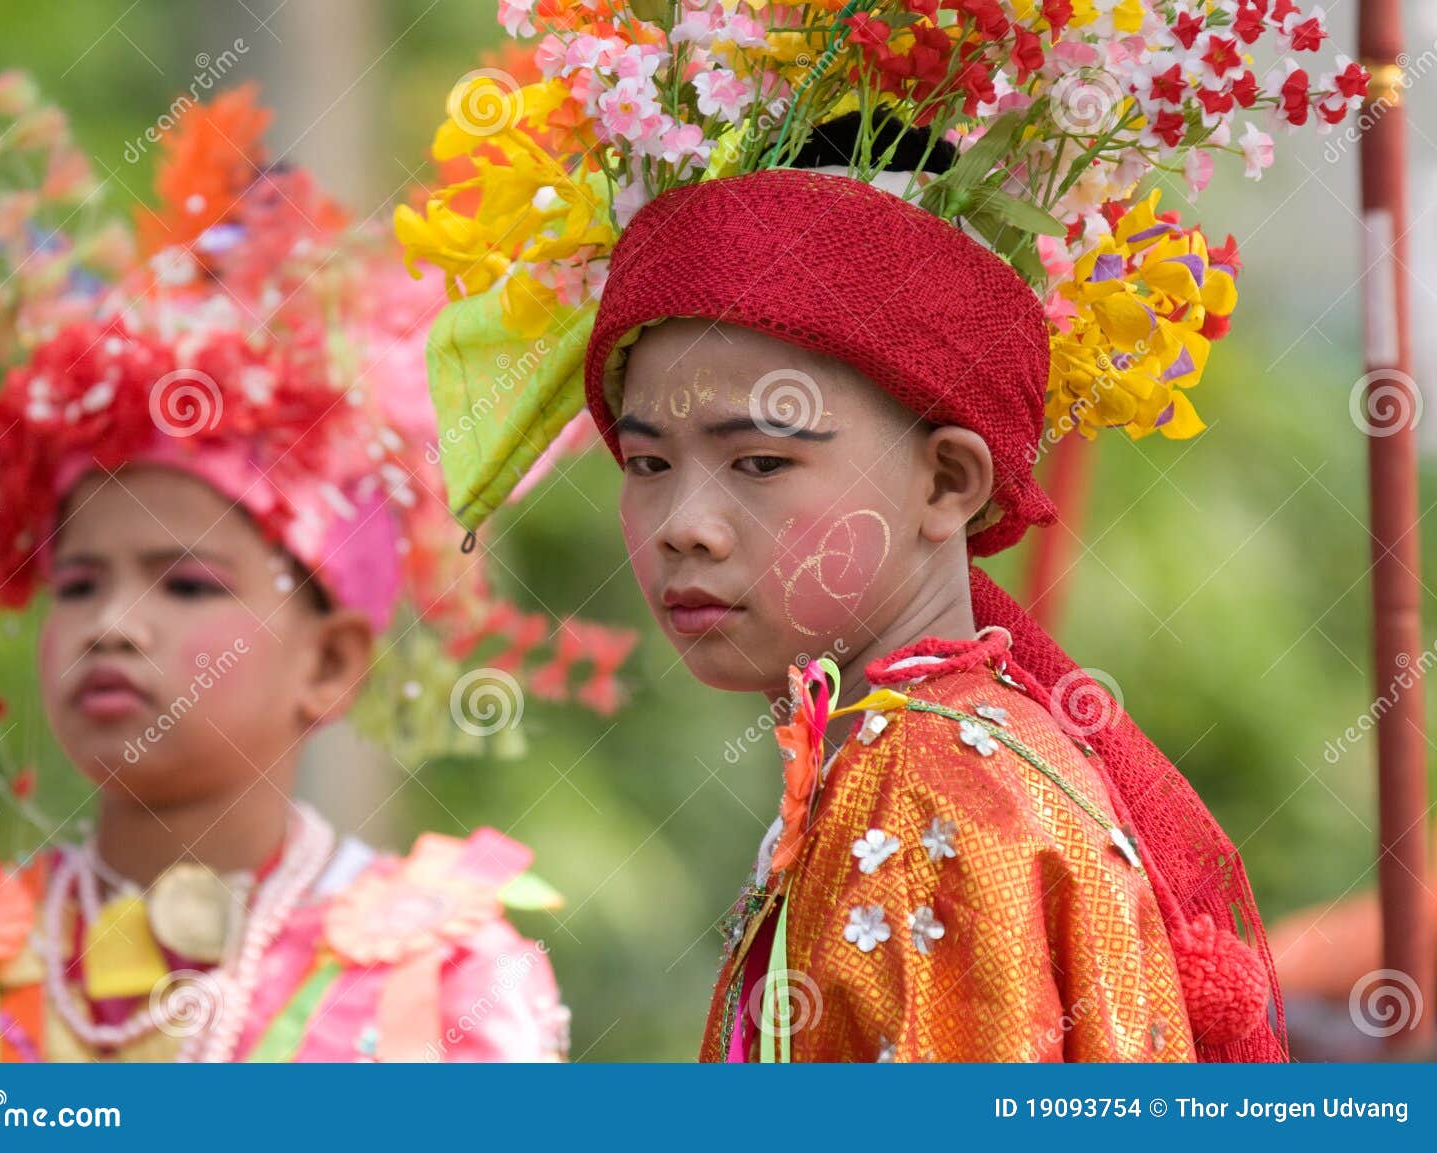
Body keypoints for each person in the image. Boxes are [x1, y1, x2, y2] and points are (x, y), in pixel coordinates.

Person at [398, 0, 1366, 1060]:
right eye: (645, 463)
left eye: (760, 461)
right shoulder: (906, 748)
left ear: (947, 481)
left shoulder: (921, 798)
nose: (684, 526)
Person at [0, 76, 620, 1062]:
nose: (112, 624)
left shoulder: (439, 982)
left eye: (188, 584)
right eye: (78, 584)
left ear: (330, 662)